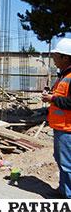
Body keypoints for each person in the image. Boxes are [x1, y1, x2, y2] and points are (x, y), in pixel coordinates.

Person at [42, 37, 71, 199]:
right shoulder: (63, 75)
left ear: (65, 57)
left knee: (67, 165)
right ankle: (63, 190)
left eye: (56, 57)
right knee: (61, 161)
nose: (54, 60)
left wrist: (52, 99)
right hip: (60, 127)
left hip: (68, 129)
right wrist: (51, 95)